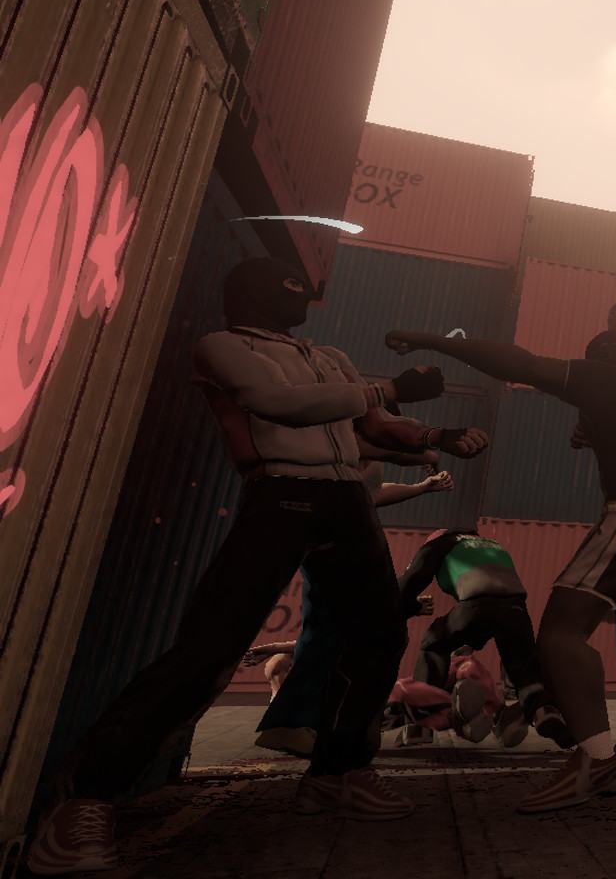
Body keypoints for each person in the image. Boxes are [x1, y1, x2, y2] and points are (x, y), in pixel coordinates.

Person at [30, 258, 489, 876]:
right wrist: (389, 390)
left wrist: (437, 435)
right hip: (280, 494)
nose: (305, 298)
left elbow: (375, 429)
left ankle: (336, 774)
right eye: (292, 287)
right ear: (257, 292)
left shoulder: (328, 358)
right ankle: (84, 798)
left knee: (379, 640)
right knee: (211, 647)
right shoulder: (222, 347)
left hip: (347, 501)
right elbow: (277, 405)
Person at [381, 326, 616, 813]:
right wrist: (597, 427)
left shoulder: (606, 378)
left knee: (559, 636)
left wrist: (434, 341)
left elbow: (520, 362)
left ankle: (598, 759)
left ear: (603, 355)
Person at [252, 433, 458, 758]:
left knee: (339, 629)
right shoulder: (350, 433)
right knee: (358, 634)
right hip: (336, 531)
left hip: (335, 529)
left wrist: (421, 487)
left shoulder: (360, 462)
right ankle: (300, 725)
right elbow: (372, 450)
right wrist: (423, 449)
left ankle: (305, 725)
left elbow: (372, 494)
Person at [393, 526, 571, 747]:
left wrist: (410, 607)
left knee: (433, 644)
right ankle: (542, 710)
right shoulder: (492, 545)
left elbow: (409, 583)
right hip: (516, 608)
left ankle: (420, 725)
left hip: (475, 604)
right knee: (523, 665)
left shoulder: (440, 544)